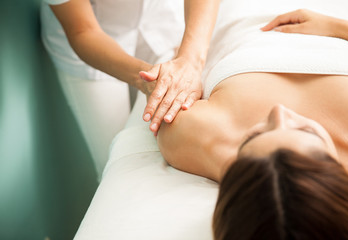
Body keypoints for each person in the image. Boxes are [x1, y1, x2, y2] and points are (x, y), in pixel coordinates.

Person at [157, 8, 348, 239]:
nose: (279, 111)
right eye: (307, 131)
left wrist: (189, 58)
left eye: (254, 136)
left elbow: (161, 87)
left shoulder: (205, 136)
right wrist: (338, 27)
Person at [40, 0, 220, 176]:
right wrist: (147, 80)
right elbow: (82, 30)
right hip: (92, 39)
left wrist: (190, 61)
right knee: (116, 161)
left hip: (159, 16)